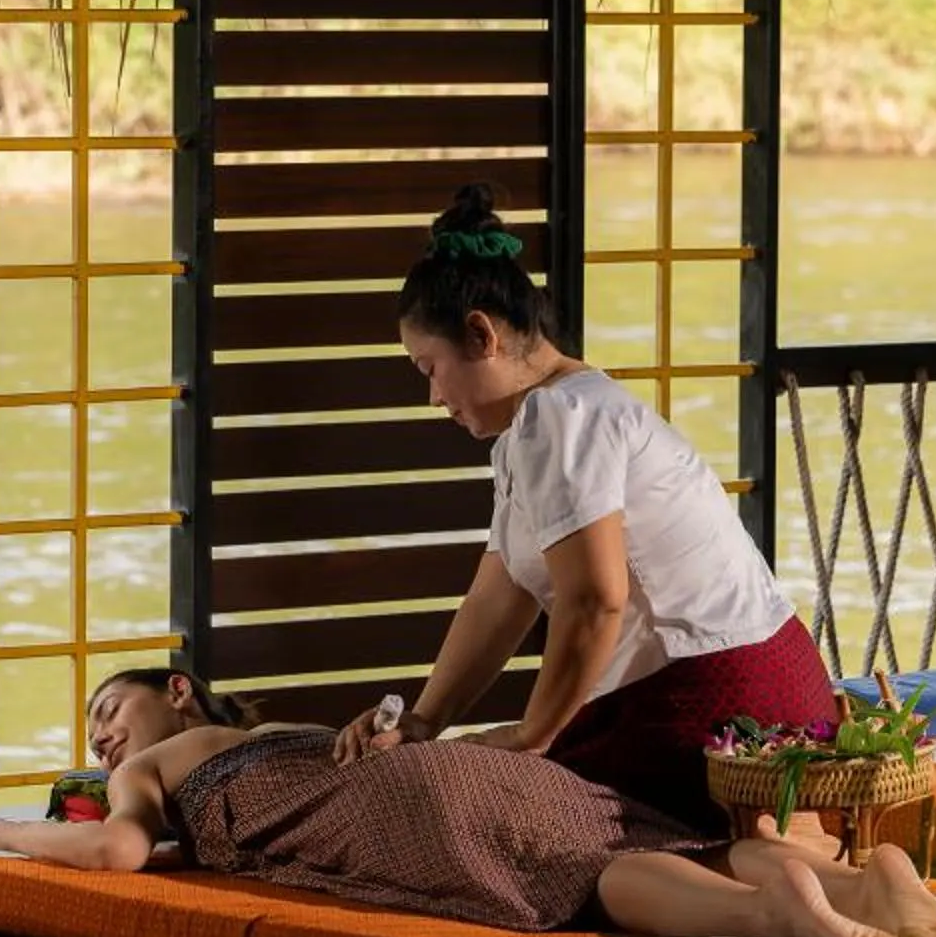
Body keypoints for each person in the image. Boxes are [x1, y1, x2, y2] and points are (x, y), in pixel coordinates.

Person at [324, 183, 834, 828]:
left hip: (715, 703)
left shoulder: (559, 418)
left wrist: (531, 736)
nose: (433, 397)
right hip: (756, 684)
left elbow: (594, 599)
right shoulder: (547, 422)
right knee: (434, 778)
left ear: (480, 334)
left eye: (429, 368)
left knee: (440, 810)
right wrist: (425, 720)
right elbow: (496, 600)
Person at [0, 666, 936, 937]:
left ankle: (773, 914)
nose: (103, 740)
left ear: (177, 691)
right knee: (634, 835)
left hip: (404, 805)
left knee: (578, 880)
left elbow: (117, 851)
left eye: (109, 711)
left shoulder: (163, 763)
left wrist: (5, 835)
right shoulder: (297, 729)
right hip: (461, 766)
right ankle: (853, 880)